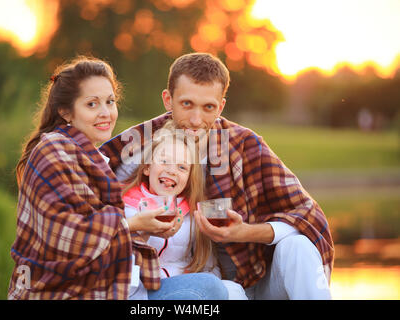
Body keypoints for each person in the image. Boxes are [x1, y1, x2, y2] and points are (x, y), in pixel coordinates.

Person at [100, 52, 334, 300]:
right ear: (168, 100)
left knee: (297, 246)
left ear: (221, 106)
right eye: (186, 104)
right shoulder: (141, 146)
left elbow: (306, 216)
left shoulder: (245, 145)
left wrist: (244, 232)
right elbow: (87, 206)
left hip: (255, 281)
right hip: (197, 288)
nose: (195, 120)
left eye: (208, 107)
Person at [8, 56, 227, 300]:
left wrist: (141, 233)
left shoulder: (94, 158)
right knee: (208, 291)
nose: (105, 113)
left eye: (110, 102)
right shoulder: (53, 151)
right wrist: (133, 225)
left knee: (212, 288)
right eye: (92, 104)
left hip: (103, 287)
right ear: (66, 111)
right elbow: (66, 236)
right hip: (61, 292)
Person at [122, 120, 247, 299]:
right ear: (148, 167)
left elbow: (208, 267)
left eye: (182, 167)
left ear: (189, 178)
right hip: (138, 290)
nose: (172, 171)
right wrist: (143, 234)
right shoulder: (126, 206)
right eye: (164, 161)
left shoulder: (193, 211)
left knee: (232, 290)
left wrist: (197, 282)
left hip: (184, 288)